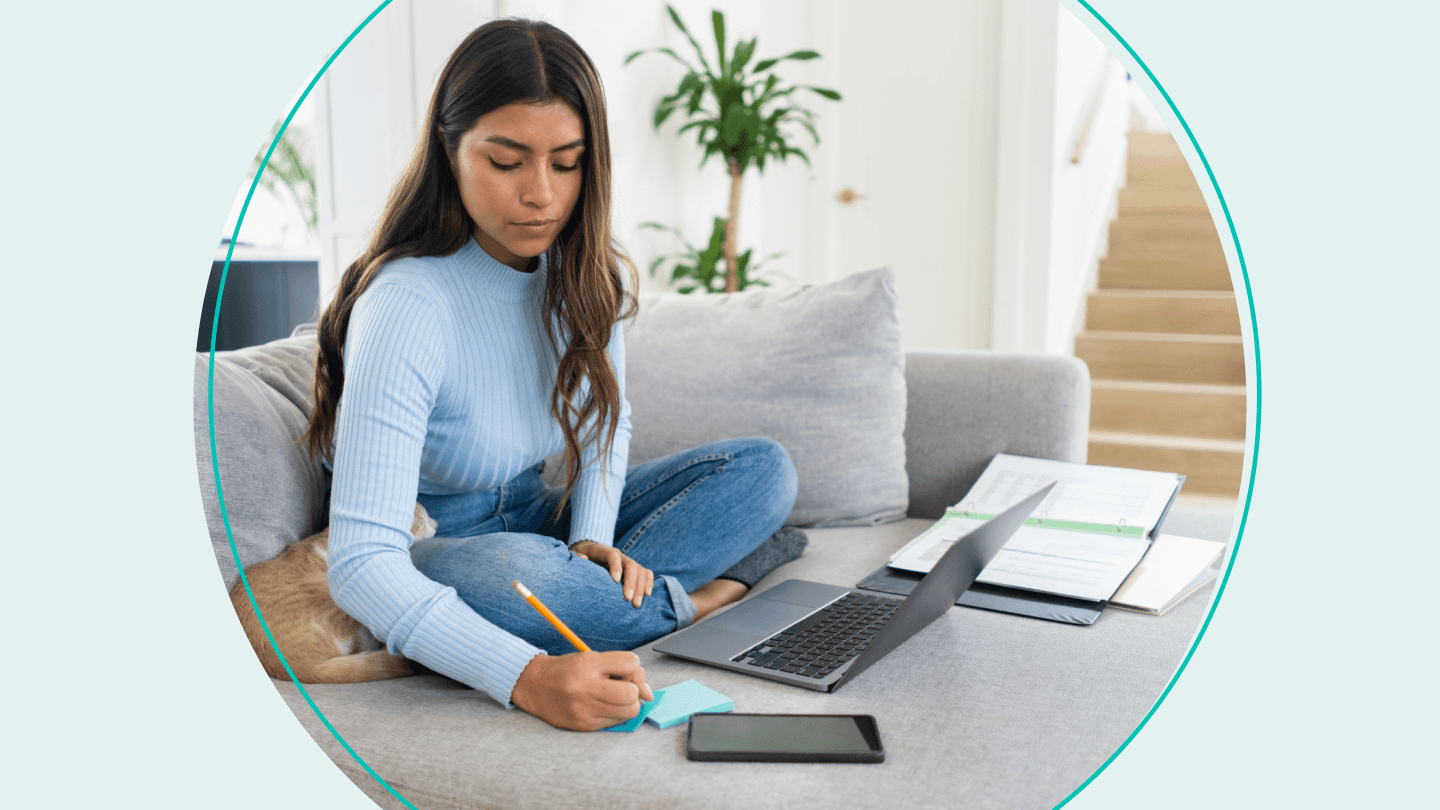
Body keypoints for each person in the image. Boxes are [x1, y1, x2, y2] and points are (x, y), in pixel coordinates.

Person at [300, 18, 805, 732]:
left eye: (566, 163)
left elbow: (606, 423)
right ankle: (706, 599)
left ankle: (629, 600)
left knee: (764, 469)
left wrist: (592, 543)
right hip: (443, 542)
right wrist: (528, 677)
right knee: (525, 582)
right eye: (506, 162)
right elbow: (362, 564)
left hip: (545, 522)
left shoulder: (582, 273)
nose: (540, 195)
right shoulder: (409, 301)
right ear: (450, 150)